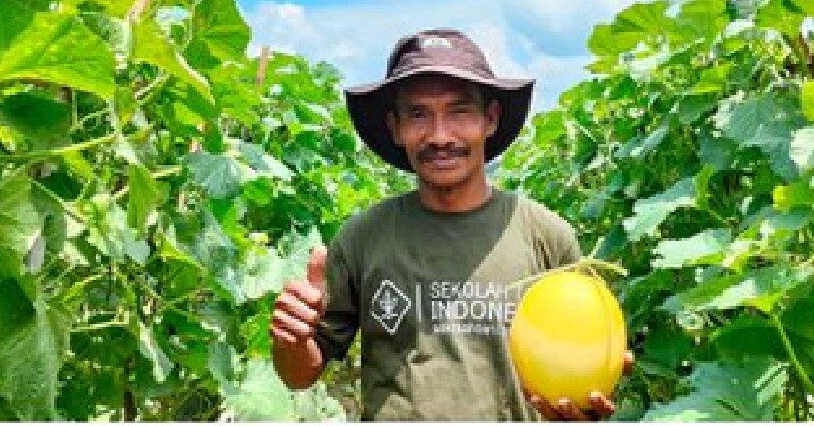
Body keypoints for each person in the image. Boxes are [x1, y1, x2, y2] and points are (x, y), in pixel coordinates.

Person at [269, 28, 632, 421]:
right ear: (395, 127)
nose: (440, 136)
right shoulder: (363, 237)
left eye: (459, 111)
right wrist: (293, 341)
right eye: (418, 114)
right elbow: (301, 374)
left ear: (490, 119)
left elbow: (576, 363)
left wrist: (583, 400)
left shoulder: (546, 236)